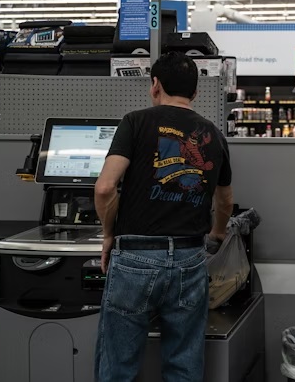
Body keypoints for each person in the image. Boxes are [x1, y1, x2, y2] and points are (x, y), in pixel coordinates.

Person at [94, 52, 234, 382]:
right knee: (184, 365)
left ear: (155, 85)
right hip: (190, 258)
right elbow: (225, 200)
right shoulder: (214, 134)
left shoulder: (135, 122)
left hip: (135, 258)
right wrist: (217, 233)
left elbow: (105, 188)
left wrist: (109, 235)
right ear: (195, 92)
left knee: (118, 367)